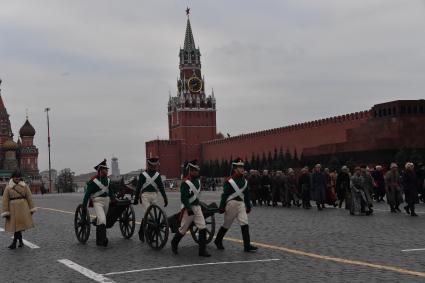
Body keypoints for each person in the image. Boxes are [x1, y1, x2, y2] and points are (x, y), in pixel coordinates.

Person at [214, 158, 258, 252]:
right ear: (235, 169)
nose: (242, 169)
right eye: (240, 167)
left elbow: (246, 195)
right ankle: (218, 240)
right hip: (231, 204)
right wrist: (222, 207)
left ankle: (247, 246)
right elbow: (224, 195)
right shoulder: (229, 181)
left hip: (241, 204)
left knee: (245, 223)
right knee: (226, 225)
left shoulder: (244, 181)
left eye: (242, 167)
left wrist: (248, 206)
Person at [171, 160, 211, 257]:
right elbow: (183, 197)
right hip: (188, 208)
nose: (197, 172)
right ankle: (174, 243)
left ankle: (202, 251)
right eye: (195, 170)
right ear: (190, 171)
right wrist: (188, 208)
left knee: (202, 227)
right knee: (183, 229)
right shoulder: (185, 183)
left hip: (197, 207)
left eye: (197, 170)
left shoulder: (198, 181)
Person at [133, 157, 168, 242]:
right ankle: (143, 232)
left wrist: (165, 197)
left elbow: (161, 187)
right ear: (148, 165)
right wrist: (136, 198)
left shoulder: (157, 175)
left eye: (155, 166)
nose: (154, 167)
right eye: (152, 166)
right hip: (145, 196)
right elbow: (138, 187)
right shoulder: (143, 175)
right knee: (149, 216)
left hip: (154, 196)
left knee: (154, 217)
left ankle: (150, 234)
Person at [82, 159, 116, 247]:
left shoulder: (108, 180)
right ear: (100, 170)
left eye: (107, 169)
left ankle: (98, 240)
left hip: (106, 201)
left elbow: (111, 190)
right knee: (102, 220)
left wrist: (113, 199)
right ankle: (103, 240)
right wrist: (84, 206)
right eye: (105, 169)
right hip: (97, 202)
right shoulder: (93, 181)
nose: (107, 171)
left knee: (101, 220)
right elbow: (87, 194)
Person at [1, 170, 36, 249]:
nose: (17, 178)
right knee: (17, 227)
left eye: (18, 177)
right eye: (15, 177)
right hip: (12, 208)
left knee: (18, 226)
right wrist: (5, 212)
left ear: (20, 177)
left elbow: (29, 197)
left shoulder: (24, 186)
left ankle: (14, 243)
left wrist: (32, 208)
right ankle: (19, 242)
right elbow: (5, 200)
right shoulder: (8, 187)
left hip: (23, 208)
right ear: (12, 177)